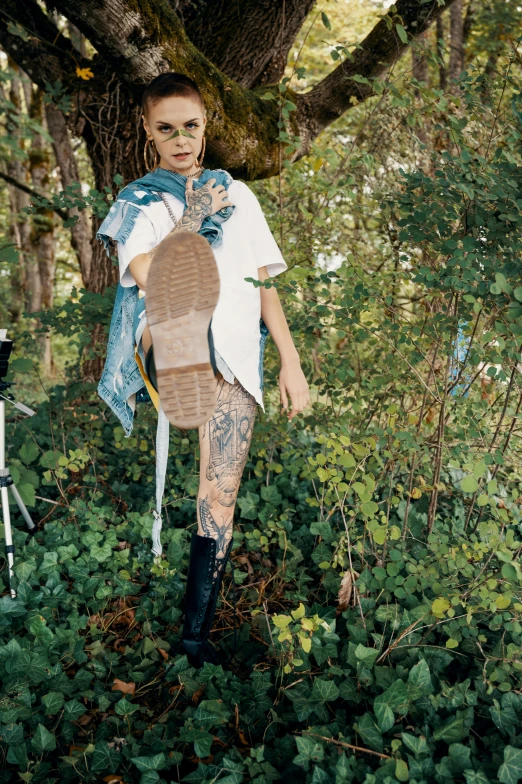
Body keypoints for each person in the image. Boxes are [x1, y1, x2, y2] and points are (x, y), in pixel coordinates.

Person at [96, 72, 310, 668]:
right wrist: (191, 217)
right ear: (148, 131)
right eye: (166, 130)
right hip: (173, 340)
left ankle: (195, 639)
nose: (181, 140)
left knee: (220, 493)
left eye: (191, 127)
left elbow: (263, 285)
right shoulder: (138, 203)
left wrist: (290, 363)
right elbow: (145, 276)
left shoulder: (238, 196)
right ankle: (180, 355)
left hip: (238, 355)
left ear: (206, 124)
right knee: (170, 284)